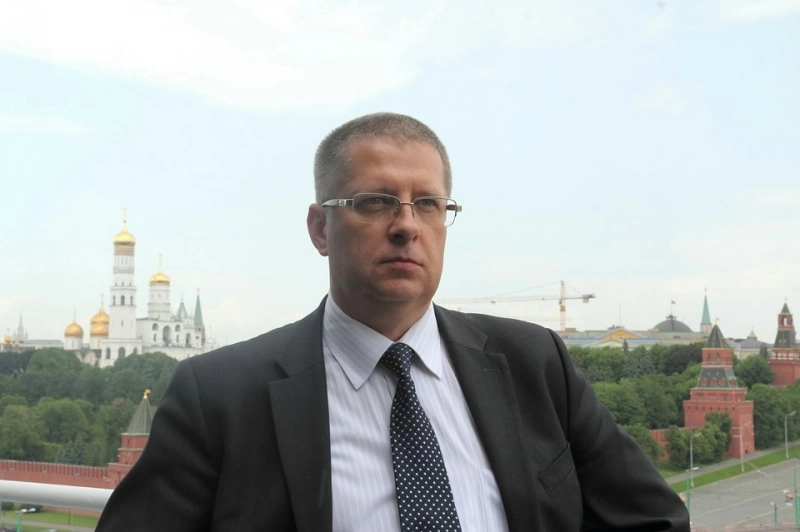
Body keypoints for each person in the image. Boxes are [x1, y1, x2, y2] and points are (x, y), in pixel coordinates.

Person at [96, 112, 689, 531]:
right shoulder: (220, 396)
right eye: (375, 202)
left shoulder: (535, 363)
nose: (406, 225)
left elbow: (654, 521)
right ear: (320, 228)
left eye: (427, 203)